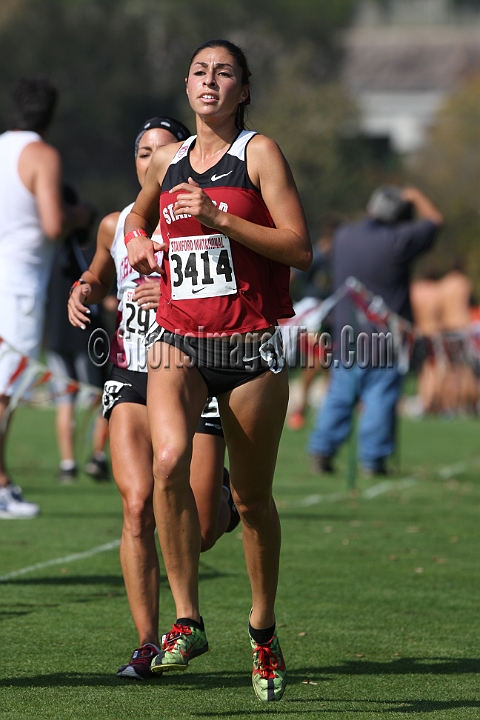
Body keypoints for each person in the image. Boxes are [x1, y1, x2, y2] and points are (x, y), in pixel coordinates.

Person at [124, 40, 312, 702]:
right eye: (201, 71)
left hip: (249, 345)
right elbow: (137, 219)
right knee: (167, 462)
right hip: (178, 337)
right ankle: (188, 619)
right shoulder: (169, 161)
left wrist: (219, 218)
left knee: (252, 501)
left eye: (224, 72)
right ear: (187, 86)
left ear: (243, 89)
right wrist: (137, 243)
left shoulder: (258, 154)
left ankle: (262, 630)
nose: (211, 80)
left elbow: (300, 249)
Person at [68, 116, 237, 680]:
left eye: (165, 151)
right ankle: (146, 644)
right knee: (137, 505)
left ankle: (228, 502)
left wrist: (165, 285)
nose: (154, 160)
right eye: (144, 153)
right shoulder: (118, 224)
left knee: (202, 527)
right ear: (136, 163)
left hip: (192, 368)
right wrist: (84, 289)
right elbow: (97, 273)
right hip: (132, 370)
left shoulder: (200, 217)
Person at [0, 77, 89, 519]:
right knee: (5, 391)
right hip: (18, 288)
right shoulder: (41, 154)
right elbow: (54, 225)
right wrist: (81, 216)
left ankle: (2, 482)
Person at [309, 185, 443, 475]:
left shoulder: (344, 235)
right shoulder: (398, 238)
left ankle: (322, 449)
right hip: (385, 336)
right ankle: (373, 459)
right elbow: (435, 222)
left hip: (346, 331)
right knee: (380, 397)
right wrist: (416, 195)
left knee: (340, 395)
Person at [46, 184, 110, 483]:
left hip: (56, 334)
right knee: (101, 396)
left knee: (65, 399)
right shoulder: (82, 252)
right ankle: (97, 457)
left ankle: (68, 464)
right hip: (86, 334)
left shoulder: (46, 246)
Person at [287, 217, 339, 430]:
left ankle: (325, 407)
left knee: (328, 362)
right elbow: (292, 275)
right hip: (312, 315)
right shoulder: (316, 256)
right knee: (317, 359)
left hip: (330, 314)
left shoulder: (336, 259)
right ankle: (301, 408)